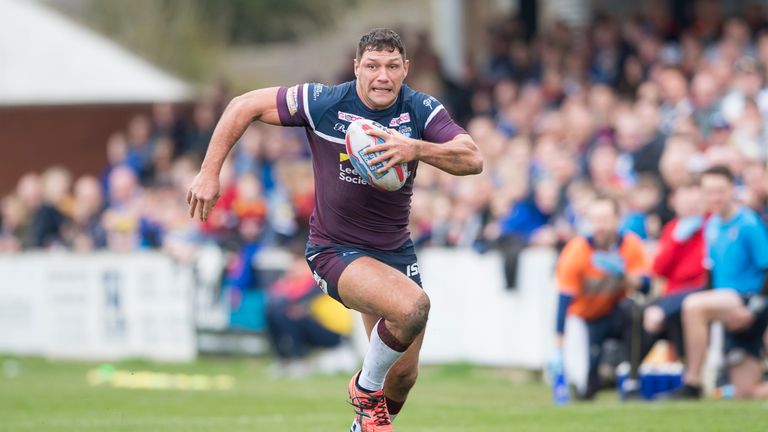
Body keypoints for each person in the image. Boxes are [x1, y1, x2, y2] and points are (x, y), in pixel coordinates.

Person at [186, 28, 482, 431]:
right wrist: (209, 172)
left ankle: (363, 422)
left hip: (395, 253)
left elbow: (471, 158)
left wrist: (416, 148)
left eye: (392, 66)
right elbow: (243, 105)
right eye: (373, 66)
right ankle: (364, 387)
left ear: (405, 69)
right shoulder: (325, 102)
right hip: (334, 251)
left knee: (404, 377)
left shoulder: (420, 110)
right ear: (357, 67)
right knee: (412, 307)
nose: (383, 76)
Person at [663, 166, 768, 400]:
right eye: (709, 192)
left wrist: (753, 309)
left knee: (693, 305)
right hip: (726, 306)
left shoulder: (748, 223)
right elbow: (711, 276)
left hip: (747, 301)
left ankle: (692, 381)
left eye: (720, 191)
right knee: (746, 392)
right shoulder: (711, 226)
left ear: (732, 189)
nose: (715, 198)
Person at [554, 194, 649, 400]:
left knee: (635, 311)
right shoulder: (577, 250)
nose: (600, 226)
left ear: (617, 219)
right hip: (584, 318)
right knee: (585, 389)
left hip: (613, 314)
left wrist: (625, 277)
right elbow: (564, 298)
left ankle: (632, 379)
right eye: (595, 220)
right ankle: (594, 379)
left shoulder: (630, 245)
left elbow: (646, 286)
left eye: (605, 219)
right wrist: (559, 342)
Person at [643, 180, 707, 359]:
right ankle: (630, 371)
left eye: (696, 202)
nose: (691, 207)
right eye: (686, 202)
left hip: (696, 291)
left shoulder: (710, 226)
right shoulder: (673, 229)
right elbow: (659, 269)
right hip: (671, 294)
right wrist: (677, 241)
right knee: (637, 314)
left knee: (673, 313)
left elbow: (700, 271)